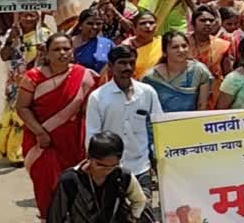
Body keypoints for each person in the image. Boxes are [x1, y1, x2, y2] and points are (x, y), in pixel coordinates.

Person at [16, 33, 99, 221]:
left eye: (66, 49)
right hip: (42, 142)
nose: (62, 53)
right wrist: (40, 132)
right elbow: (21, 107)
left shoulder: (84, 76)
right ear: (47, 53)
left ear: (72, 51)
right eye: (56, 49)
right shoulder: (33, 77)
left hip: (73, 141)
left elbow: (90, 109)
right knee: (48, 186)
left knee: (76, 185)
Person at [85, 45, 163, 214]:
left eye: (131, 63)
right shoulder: (98, 97)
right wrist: (96, 167)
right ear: (111, 66)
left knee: (143, 212)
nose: (127, 68)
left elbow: (159, 126)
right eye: (121, 63)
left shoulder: (147, 92)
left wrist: (159, 157)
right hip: (109, 170)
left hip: (141, 166)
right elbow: (92, 135)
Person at [46, 132, 148, 223]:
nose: (106, 170)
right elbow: (56, 216)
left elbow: (140, 200)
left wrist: (133, 218)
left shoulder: (123, 176)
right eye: (100, 165)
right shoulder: (70, 180)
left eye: (112, 166)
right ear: (89, 157)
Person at [0, 11, 50, 165]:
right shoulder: (11, 33)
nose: (28, 18)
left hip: (36, 82)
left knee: (24, 117)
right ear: (18, 17)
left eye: (32, 15)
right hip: (15, 83)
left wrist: (44, 51)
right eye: (24, 15)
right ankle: (6, 148)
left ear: (38, 17)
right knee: (9, 117)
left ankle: (17, 153)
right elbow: (4, 55)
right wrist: (10, 40)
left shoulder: (45, 34)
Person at [142, 30, 212, 112]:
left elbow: (201, 107)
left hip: (190, 121)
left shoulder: (200, 71)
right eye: (175, 47)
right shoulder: (151, 77)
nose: (181, 50)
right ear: (164, 52)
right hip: (161, 122)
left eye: (184, 46)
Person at [187, 5, 232, 109]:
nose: (207, 23)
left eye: (211, 21)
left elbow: (228, 76)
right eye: (203, 20)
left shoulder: (222, 45)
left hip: (214, 98)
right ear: (193, 23)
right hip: (188, 95)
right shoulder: (183, 44)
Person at [71, 8, 114, 74]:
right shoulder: (69, 44)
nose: (95, 27)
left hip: (103, 82)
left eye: (98, 23)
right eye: (90, 23)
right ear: (80, 25)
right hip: (78, 82)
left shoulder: (107, 43)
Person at [121, 11, 163, 79]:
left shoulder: (162, 43)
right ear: (134, 27)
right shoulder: (126, 47)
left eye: (151, 23)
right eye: (143, 23)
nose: (148, 26)